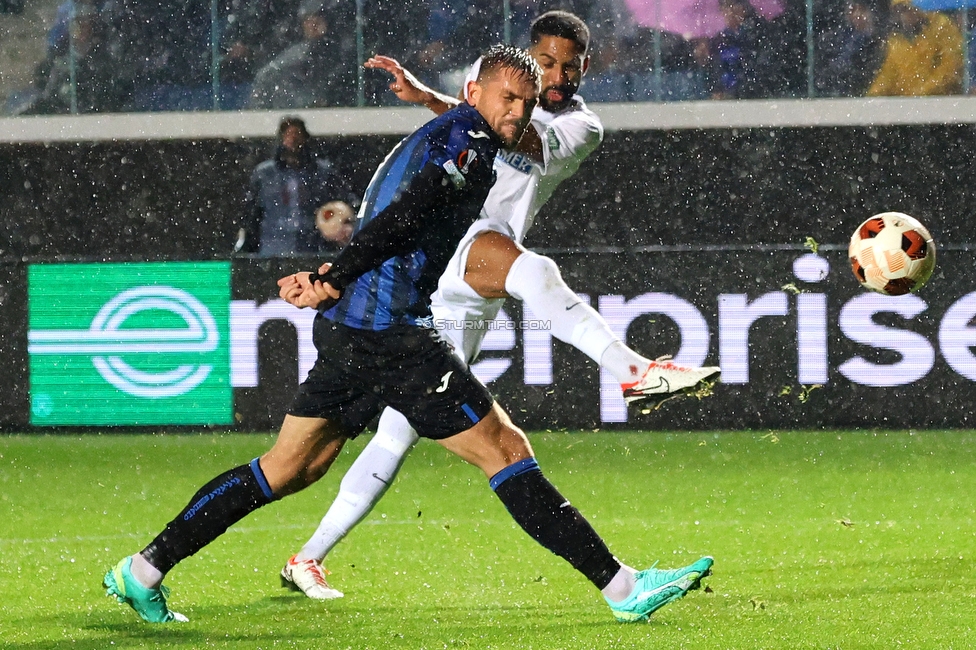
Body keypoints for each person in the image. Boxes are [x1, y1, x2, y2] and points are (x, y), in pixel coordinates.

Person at [102, 43, 713, 625]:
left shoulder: (454, 132)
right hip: (389, 332)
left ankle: (144, 568)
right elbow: (404, 217)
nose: (516, 111)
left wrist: (331, 280)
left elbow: (398, 208)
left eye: (525, 103)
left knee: (286, 469)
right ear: (474, 91)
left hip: (352, 332)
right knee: (504, 448)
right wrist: (332, 277)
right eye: (506, 97)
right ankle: (625, 589)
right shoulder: (472, 148)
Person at [278, 11, 720, 607]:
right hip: (462, 245)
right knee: (535, 271)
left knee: (398, 431)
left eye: (568, 64)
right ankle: (633, 372)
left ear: (585, 67)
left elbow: (519, 137)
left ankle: (307, 555)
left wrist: (435, 98)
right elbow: (482, 123)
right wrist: (431, 98)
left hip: (473, 285)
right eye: (546, 61)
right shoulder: (501, 96)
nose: (557, 73)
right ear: (529, 58)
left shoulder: (582, 126)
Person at [239, 116, 355, 256]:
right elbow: (252, 213)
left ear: (305, 139)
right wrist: (249, 246)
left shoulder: (322, 172)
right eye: (288, 135)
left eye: (297, 135)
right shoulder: (265, 174)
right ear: (281, 139)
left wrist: (345, 226)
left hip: (312, 246)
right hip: (273, 246)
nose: (293, 140)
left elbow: (347, 200)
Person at [247, 0, 357, 109]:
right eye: (308, 19)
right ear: (302, 23)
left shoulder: (344, 54)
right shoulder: (289, 58)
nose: (314, 23)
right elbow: (265, 78)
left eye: (319, 17)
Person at [867, 0, 963, 97]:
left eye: (906, 8)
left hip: (941, 102)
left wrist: (923, 92)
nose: (903, 15)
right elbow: (888, 74)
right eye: (898, 10)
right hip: (908, 105)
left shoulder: (942, 27)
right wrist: (874, 95)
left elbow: (950, 67)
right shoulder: (897, 41)